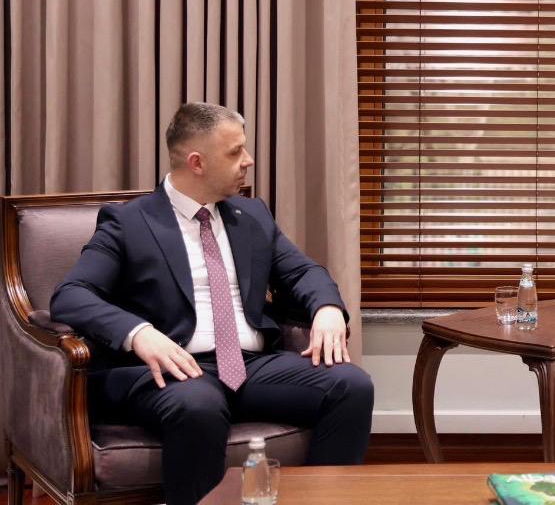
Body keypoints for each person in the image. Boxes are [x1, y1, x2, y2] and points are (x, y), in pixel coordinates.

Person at [51, 103, 374, 505]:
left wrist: (327, 308)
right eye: (235, 152)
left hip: (251, 365)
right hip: (173, 368)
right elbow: (72, 294)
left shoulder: (251, 215)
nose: (248, 161)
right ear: (197, 163)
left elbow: (302, 272)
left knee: (351, 386)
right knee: (198, 405)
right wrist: (139, 334)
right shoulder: (129, 222)